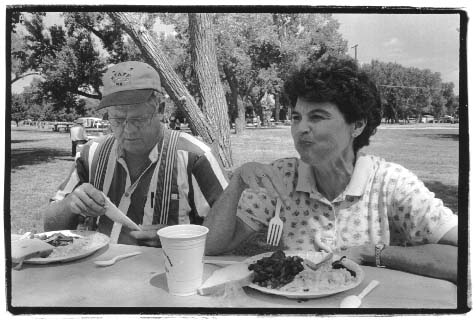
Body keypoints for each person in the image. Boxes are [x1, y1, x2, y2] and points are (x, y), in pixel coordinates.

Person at [203, 56, 458, 283]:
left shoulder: (391, 182)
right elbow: (211, 246)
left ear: (356, 125)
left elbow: (463, 256)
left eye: (317, 117)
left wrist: (374, 252)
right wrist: (237, 183)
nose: (301, 128)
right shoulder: (282, 176)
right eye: (296, 117)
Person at [44, 61, 228, 246]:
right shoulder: (92, 153)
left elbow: (228, 232)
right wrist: (70, 204)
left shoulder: (195, 157)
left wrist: (179, 240)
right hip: (100, 271)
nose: (129, 130)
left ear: (161, 110)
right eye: (118, 119)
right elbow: (50, 227)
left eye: (139, 119)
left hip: (171, 270)